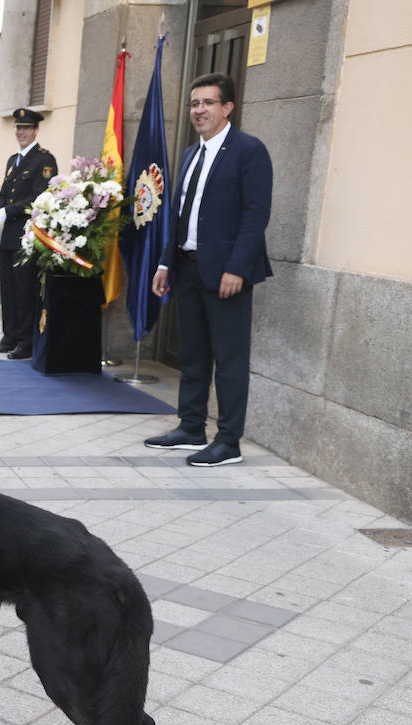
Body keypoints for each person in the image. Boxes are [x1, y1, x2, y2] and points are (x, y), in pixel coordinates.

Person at [146, 73, 273, 468]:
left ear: (227, 108)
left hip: (226, 276)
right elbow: (179, 215)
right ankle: (191, 427)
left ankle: (229, 441)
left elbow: (256, 215)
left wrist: (237, 267)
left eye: (207, 103)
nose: (198, 110)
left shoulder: (249, 151)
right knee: (193, 356)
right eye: (194, 103)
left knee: (229, 361)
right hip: (187, 269)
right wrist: (166, 260)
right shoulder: (189, 154)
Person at [0, 108, 58, 360]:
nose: (21, 132)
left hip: (27, 234)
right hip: (8, 234)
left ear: (36, 130)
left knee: (25, 290)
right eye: (18, 128)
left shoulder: (44, 160)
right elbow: (3, 192)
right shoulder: (13, 159)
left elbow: (39, 197)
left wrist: (8, 211)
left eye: (26, 128)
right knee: (9, 289)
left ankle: (25, 341)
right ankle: (10, 335)